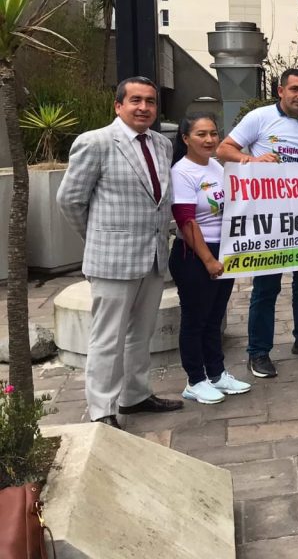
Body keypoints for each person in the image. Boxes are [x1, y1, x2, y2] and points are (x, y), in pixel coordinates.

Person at [56, 77, 183, 428]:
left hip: (154, 256)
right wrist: (97, 237)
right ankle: (102, 409)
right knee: (107, 338)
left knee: (140, 333)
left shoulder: (161, 144)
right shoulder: (95, 143)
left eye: (150, 102)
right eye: (135, 100)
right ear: (118, 105)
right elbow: (70, 200)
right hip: (113, 258)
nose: (143, 107)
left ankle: (135, 395)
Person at [217, 68, 298, 380]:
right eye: (295, 89)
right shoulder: (259, 117)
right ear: (280, 90)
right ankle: (258, 352)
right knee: (266, 288)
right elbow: (224, 150)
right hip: (268, 222)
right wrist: (252, 161)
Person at [169, 113, 251, 404]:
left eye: (213, 133)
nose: (209, 140)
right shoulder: (182, 171)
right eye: (201, 134)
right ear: (185, 138)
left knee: (214, 317)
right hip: (194, 255)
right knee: (195, 318)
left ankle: (216, 373)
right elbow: (185, 221)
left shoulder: (216, 166)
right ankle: (194, 379)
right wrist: (208, 260)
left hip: (223, 251)